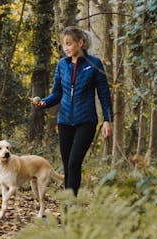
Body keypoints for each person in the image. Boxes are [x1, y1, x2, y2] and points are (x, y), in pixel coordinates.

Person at [32, 26, 113, 196]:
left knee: (74, 163)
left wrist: (107, 120)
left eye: (69, 44)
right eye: (64, 44)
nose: (66, 47)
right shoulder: (62, 65)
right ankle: (69, 207)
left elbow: (104, 94)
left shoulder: (94, 64)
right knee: (67, 164)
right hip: (65, 122)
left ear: (81, 43)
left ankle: (71, 207)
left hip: (86, 121)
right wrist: (44, 103)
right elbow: (57, 93)